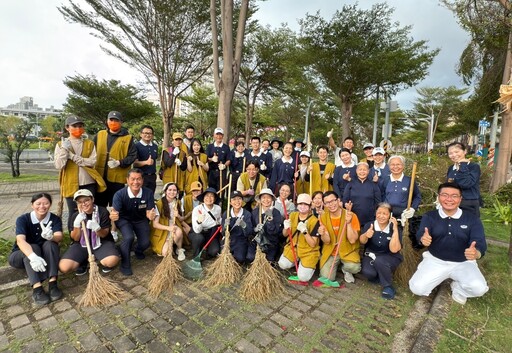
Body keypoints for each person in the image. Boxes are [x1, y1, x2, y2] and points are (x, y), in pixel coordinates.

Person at [409, 182, 489, 305]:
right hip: (436, 260)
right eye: (445, 195)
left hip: (463, 262)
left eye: (454, 196)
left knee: (479, 289)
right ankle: (437, 277)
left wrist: (476, 253)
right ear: (439, 197)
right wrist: (422, 239)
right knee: (417, 288)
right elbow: (421, 234)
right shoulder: (430, 216)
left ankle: (458, 288)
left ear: (460, 199)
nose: (449, 199)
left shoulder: (472, 219)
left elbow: (480, 242)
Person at [9, 193, 63, 305]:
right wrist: (32, 256)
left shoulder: (54, 219)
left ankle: (53, 284)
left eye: (46, 203)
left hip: (44, 256)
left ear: (50, 204)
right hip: (21, 255)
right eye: (38, 203)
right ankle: (37, 288)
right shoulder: (23, 219)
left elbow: (59, 237)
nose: (42, 206)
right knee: (33, 247)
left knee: (51, 244)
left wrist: (51, 237)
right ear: (32, 205)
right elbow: (20, 240)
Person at [54, 115, 105, 231]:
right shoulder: (60, 145)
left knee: (89, 210)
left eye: (80, 126)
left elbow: (92, 161)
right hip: (70, 184)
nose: (78, 128)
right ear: (67, 128)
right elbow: (59, 165)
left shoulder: (89, 143)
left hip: (88, 182)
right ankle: (75, 238)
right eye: (74, 126)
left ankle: (92, 236)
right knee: (73, 212)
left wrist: (73, 157)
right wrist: (64, 150)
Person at [59, 189, 120, 275]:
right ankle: (84, 260)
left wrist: (97, 228)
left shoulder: (102, 212)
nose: (83, 204)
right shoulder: (75, 215)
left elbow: (104, 234)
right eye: (80, 202)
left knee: (111, 261)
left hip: (101, 242)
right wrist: (77, 225)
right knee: (64, 267)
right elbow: (75, 238)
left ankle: (100, 255)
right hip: (81, 245)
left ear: (92, 199)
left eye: (86, 200)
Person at [110, 168, 156, 276]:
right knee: (128, 237)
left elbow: (150, 211)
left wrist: (150, 215)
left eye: (138, 179)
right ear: (127, 180)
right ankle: (125, 263)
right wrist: (113, 216)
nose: (136, 182)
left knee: (145, 243)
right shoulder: (119, 194)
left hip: (140, 220)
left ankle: (137, 250)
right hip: (124, 220)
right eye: (133, 179)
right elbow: (114, 212)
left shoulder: (148, 193)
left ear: (142, 180)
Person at [94, 111, 137, 207]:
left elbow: (132, 156)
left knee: (116, 206)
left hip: (117, 179)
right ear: (107, 121)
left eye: (116, 120)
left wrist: (119, 162)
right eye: (111, 120)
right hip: (100, 177)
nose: (113, 122)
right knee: (99, 206)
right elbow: (91, 150)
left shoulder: (128, 138)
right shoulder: (100, 134)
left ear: (121, 122)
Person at [360, 203, 402, 299]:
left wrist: (395, 230)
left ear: (390, 215)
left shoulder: (394, 228)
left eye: (385, 214)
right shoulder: (369, 225)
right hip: (371, 254)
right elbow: (362, 241)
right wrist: (366, 235)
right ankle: (381, 273)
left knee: (380, 261)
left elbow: (394, 249)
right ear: (375, 213)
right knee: (368, 273)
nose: (381, 216)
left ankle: (388, 286)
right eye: (379, 213)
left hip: (390, 256)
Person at [318, 191, 361, 284]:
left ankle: (346, 270)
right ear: (324, 205)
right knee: (326, 278)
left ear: (338, 200)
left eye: (333, 201)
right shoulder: (323, 217)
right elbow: (327, 241)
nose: (331, 204)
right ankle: (334, 266)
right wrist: (323, 234)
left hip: (347, 250)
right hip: (331, 251)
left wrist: (349, 223)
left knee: (355, 267)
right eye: (327, 203)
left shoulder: (351, 215)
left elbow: (353, 240)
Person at [278, 193, 320, 283]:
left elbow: (313, 244)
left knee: (303, 278)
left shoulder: (314, 221)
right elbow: (285, 235)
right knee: (282, 264)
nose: (302, 206)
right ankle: (296, 261)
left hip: (308, 251)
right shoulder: (293, 215)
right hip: (293, 248)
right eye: (300, 204)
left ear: (310, 206)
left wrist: (305, 232)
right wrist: (286, 228)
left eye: (305, 204)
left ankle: (308, 266)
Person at [380, 155, 421, 225]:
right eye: (392, 164)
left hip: (404, 215)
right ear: (389, 166)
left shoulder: (409, 181)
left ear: (403, 166)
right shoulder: (385, 180)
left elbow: (417, 196)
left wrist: (413, 208)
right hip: (387, 215)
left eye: (398, 164)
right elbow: (380, 196)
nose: (395, 167)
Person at [150, 183, 187, 261]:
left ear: (177, 192)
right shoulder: (159, 204)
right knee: (165, 253)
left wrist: (178, 216)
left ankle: (179, 249)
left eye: (174, 190)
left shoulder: (178, 202)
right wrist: (168, 228)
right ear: (165, 191)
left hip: (174, 226)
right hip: (163, 230)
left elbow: (182, 220)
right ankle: (169, 246)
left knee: (179, 232)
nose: (172, 192)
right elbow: (155, 224)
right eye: (169, 190)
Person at [446, 142, 481, 217]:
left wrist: (463, 165)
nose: (454, 155)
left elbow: (466, 184)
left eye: (456, 152)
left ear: (465, 151)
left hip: (469, 203)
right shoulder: (451, 168)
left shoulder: (474, 167)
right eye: (450, 153)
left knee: (469, 227)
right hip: (452, 203)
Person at [248, 188, 283, 262]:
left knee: (269, 261)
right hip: (257, 241)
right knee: (250, 258)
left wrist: (270, 221)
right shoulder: (255, 212)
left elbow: (275, 232)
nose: (266, 200)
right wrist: (255, 229)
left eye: (268, 197)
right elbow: (251, 230)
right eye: (263, 197)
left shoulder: (276, 213)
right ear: (260, 200)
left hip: (270, 242)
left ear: (272, 199)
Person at [343, 162, 382, 226]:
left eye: (364, 170)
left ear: (368, 171)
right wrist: (346, 205)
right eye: (360, 170)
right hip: (353, 216)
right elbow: (345, 199)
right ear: (356, 171)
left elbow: (378, 202)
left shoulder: (373, 185)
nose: (362, 172)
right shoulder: (351, 184)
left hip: (370, 218)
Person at [221, 191, 254, 264]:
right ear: (230, 202)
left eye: (239, 199)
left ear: (242, 201)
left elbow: (249, 232)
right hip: (229, 239)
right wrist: (225, 227)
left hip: (241, 240)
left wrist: (244, 225)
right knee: (224, 257)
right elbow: (223, 233)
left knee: (240, 258)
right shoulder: (226, 214)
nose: (237, 201)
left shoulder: (247, 214)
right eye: (234, 199)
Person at [190, 187, 222, 258]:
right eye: (207, 195)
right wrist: (199, 221)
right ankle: (196, 256)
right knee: (198, 238)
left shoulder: (218, 209)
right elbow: (197, 230)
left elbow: (219, 220)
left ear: (215, 199)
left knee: (214, 251)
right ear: (203, 198)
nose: (209, 198)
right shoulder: (197, 209)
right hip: (199, 232)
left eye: (212, 196)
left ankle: (206, 253)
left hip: (211, 233)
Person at [206, 127, 231, 198]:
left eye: (220, 135)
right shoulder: (210, 147)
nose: (218, 136)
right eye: (217, 134)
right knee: (211, 190)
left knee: (221, 191)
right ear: (214, 135)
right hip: (211, 172)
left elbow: (228, 160)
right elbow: (205, 159)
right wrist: (211, 159)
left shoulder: (226, 147)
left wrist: (224, 165)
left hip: (221, 172)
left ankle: (220, 206)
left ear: (223, 136)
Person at [133, 125, 159, 194]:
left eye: (150, 133)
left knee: (150, 197)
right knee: (140, 197)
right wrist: (146, 162)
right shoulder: (136, 146)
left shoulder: (155, 146)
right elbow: (134, 163)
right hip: (140, 176)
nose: (147, 135)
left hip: (152, 177)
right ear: (141, 134)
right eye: (145, 133)